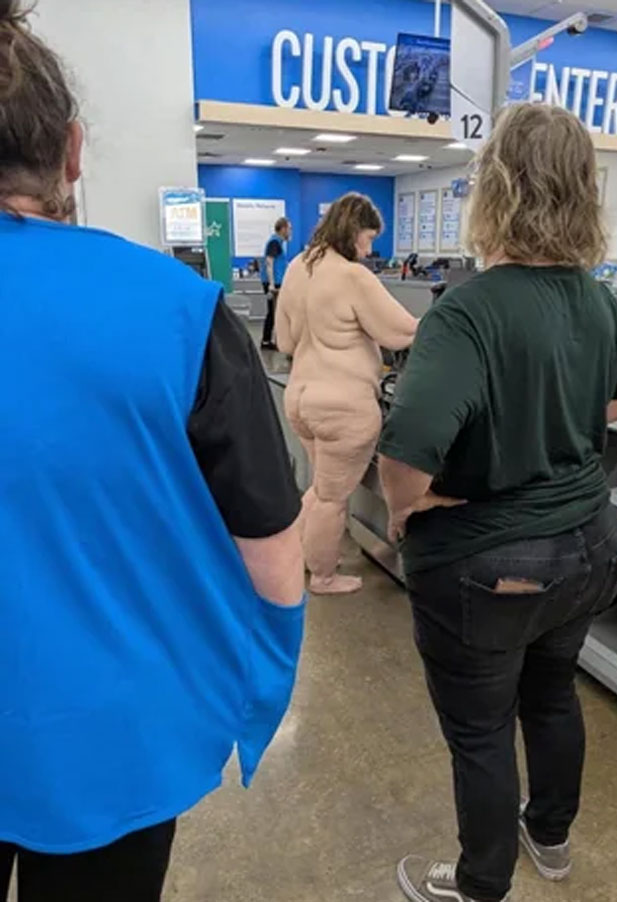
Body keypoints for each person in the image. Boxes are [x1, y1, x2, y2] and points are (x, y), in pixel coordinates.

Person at [0, 3, 306, 900]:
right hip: (115, 737)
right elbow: (275, 566)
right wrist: (245, 695)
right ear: (73, 150)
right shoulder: (180, 312)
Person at [378, 103, 617, 902]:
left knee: (479, 730)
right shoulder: (594, 300)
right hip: (588, 544)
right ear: (584, 190)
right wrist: (585, 418)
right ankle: (550, 839)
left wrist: (415, 505)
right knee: (550, 696)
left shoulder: (468, 310)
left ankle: (481, 884)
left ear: (493, 188)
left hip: (490, 563)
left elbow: (406, 446)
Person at [276, 193, 418, 595]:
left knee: (321, 489)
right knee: (332, 498)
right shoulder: (352, 276)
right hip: (344, 405)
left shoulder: (297, 267)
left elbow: (284, 341)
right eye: (368, 238)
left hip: (301, 397)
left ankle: (300, 555)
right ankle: (322, 575)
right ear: (352, 230)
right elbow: (400, 332)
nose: (370, 249)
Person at [260, 216, 292, 350]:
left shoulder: (278, 243)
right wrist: (272, 285)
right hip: (274, 283)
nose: (290, 231)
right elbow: (269, 263)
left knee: (275, 312)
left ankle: (270, 340)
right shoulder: (274, 242)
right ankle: (267, 341)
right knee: (274, 313)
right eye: (289, 228)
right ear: (283, 229)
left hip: (278, 282)